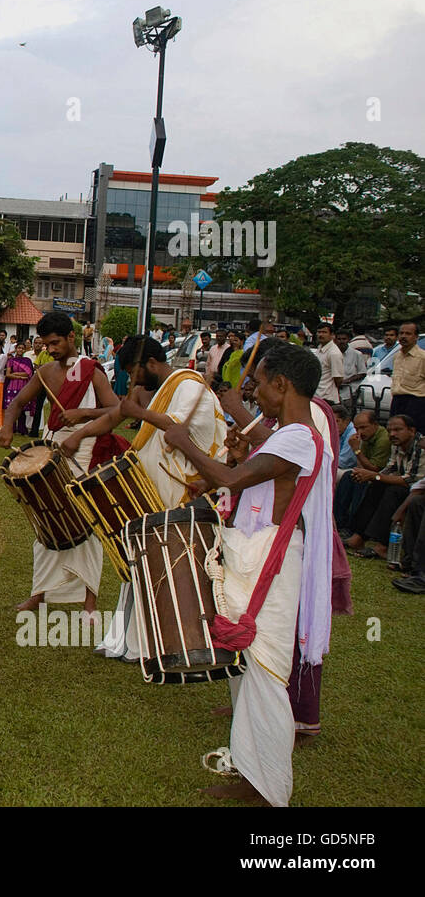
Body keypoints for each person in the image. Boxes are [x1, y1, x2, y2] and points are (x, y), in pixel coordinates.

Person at [162, 342, 328, 805]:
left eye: (261, 386)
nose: (255, 395)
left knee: (266, 674)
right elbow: (247, 478)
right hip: (255, 552)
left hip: (270, 561)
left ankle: (268, 788)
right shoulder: (285, 433)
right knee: (245, 667)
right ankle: (250, 771)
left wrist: (184, 443)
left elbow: (230, 482)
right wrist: (237, 455)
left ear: (282, 384)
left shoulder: (298, 435)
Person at [64, 335, 227, 660]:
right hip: (149, 487)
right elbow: (115, 418)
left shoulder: (189, 385)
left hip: (181, 487)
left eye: (135, 374)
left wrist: (137, 410)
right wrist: (80, 434)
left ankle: (159, 643)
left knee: (165, 564)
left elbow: (175, 426)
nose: (133, 382)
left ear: (151, 364)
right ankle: (124, 641)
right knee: (139, 561)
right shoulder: (146, 389)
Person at [0, 312, 125, 618]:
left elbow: (117, 409)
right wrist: (6, 426)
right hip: (51, 445)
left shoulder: (91, 370)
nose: (51, 349)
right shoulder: (43, 371)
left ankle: (89, 603)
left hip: (85, 447)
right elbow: (17, 404)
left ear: (71, 337)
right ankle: (39, 595)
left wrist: (83, 414)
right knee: (45, 518)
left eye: (55, 343)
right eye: (46, 344)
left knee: (88, 524)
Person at [343, 414, 422, 560]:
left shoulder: (420, 446)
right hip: (406, 485)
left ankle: (382, 546)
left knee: (393, 491)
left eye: (398, 430)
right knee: (376, 485)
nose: (392, 434)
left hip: (417, 490)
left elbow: (411, 480)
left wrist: (374, 475)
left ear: (411, 430)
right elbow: (389, 468)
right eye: (390, 430)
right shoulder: (396, 444)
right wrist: (371, 476)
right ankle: (358, 537)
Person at [334, 410, 392, 533]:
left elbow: (375, 468)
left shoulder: (383, 440)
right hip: (369, 472)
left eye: (364, 427)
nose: (360, 432)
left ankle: (353, 526)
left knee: (360, 482)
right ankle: (339, 521)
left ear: (375, 424)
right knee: (348, 477)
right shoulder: (365, 438)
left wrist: (356, 450)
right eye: (357, 428)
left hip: (381, 476)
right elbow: (361, 466)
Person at [390, 322, 425, 429]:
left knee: (413, 437)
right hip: (397, 402)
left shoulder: (422, 357)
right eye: (401, 333)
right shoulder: (396, 356)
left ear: (416, 337)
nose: (404, 336)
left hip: (415, 403)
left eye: (408, 334)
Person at [4, 340, 36, 435]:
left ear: (24, 350)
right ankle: (12, 428)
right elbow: (8, 374)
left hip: (23, 387)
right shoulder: (11, 361)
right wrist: (20, 376)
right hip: (12, 386)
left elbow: (29, 374)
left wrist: (15, 374)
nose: (20, 350)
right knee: (12, 408)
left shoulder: (27, 361)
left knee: (22, 408)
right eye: (19, 348)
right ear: (16, 349)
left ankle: (22, 428)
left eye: (22, 348)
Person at [335, 328, 366, 406]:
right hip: (333, 392)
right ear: (335, 340)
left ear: (348, 340)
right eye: (339, 339)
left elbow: (362, 373)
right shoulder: (332, 354)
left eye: (344, 339)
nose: (341, 341)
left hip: (349, 392)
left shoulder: (357, 354)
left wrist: (347, 381)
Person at [314, 323, 343, 405]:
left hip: (327, 398)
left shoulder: (334, 353)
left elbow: (338, 379)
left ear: (332, 335)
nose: (321, 335)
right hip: (317, 395)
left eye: (324, 332)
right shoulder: (320, 348)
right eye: (319, 332)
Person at [29, 335, 52, 436]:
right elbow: (36, 366)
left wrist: (43, 367)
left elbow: (54, 367)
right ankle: (34, 431)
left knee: (53, 407)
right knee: (38, 406)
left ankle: (51, 430)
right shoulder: (43, 353)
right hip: (42, 382)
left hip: (52, 383)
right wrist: (44, 368)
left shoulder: (54, 355)